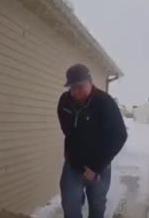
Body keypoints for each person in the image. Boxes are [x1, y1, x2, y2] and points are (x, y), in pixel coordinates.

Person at [57, 64, 128, 218]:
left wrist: (96, 166)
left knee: (97, 204)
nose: (75, 92)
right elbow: (67, 131)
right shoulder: (64, 102)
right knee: (70, 204)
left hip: (99, 166)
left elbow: (120, 135)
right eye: (72, 87)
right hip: (74, 164)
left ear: (90, 81)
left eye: (80, 87)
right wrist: (76, 157)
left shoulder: (104, 102)